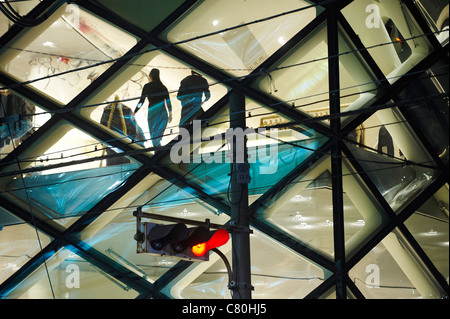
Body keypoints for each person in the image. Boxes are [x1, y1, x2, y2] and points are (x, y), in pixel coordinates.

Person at [134, 68, 172, 148]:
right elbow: (168, 102)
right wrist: (170, 114)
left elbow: (141, 101)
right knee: (159, 134)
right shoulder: (163, 87)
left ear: (151, 75)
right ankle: (158, 150)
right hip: (162, 112)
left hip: (152, 112)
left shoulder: (147, 86)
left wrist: (135, 111)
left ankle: (157, 151)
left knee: (153, 133)